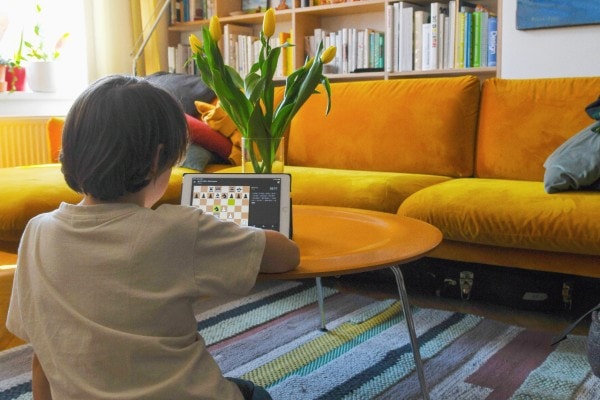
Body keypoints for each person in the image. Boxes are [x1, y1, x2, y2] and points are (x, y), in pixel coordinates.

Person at [6, 75, 300, 400]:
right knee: (255, 393)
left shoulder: (36, 232)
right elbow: (286, 255)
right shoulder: (179, 229)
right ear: (157, 160)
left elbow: (41, 356)